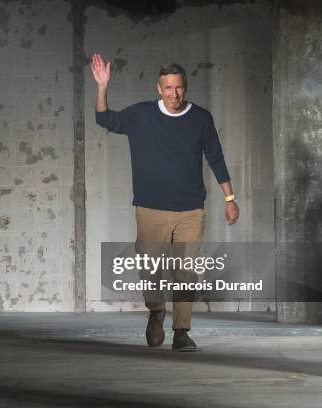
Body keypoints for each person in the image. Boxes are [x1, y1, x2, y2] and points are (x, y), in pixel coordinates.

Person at [92, 53, 240, 351]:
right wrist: (102, 87)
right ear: (159, 89)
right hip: (151, 208)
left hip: (190, 209)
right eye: (169, 88)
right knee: (149, 268)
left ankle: (182, 331)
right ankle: (156, 311)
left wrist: (230, 198)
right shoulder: (141, 115)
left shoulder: (201, 118)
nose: (175, 94)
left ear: (185, 87)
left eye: (180, 87)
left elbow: (216, 158)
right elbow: (104, 118)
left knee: (186, 271)